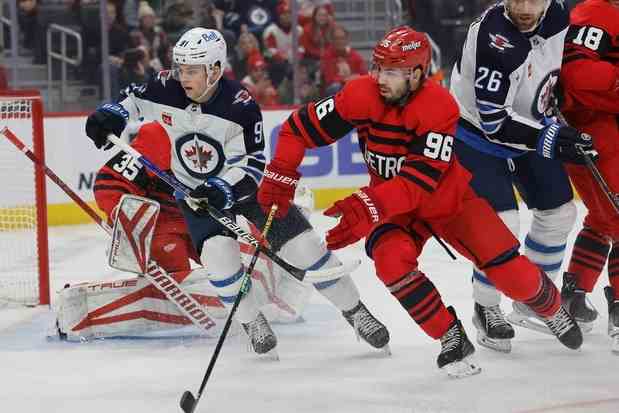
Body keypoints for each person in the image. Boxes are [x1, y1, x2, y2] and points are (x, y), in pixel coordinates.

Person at [257, 25, 584, 377]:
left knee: (510, 273)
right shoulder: (359, 95)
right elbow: (296, 128)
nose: (381, 78)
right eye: (379, 67)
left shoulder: (439, 106)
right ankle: (451, 336)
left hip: (449, 203)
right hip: (396, 210)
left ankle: (549, 306)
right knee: (391, 262)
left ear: (416, 73)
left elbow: (418, 182)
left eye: (393, 71)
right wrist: (281, 173)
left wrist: (368, 205)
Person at [83, 27, 390, 356]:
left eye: (192, 70)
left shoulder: (240, 106)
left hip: (249, 192)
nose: (182, 77)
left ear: (214, 69)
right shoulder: (165, 86)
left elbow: (253, 164)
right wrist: (109, 115)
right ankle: (251, 320)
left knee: (305, 249)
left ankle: (356, 311)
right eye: (180, 68)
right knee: (218, 257)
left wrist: (220, 188)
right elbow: (132, 100)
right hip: (192, 196)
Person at [449, 0, 595, 352]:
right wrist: (554, 139)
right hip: (476, 136)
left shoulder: (559, 16)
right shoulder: (495, 38)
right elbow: (495, 123)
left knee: (560, 213)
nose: (525, 8)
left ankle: (533, 295)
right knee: (499, 225)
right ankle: (486, 307)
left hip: (530, 124)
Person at [559, 0, 619, 353]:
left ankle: (574, 295)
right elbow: (576, 74)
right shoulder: (597, 12)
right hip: (593, 129)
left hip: (597, 126)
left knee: (602, 218)